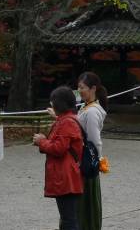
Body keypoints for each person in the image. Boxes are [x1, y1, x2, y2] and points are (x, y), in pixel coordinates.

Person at [33, 86, 84, 230]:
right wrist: (44, 140)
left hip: (66, 176)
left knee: (69, 219)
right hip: (66, 175)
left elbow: (58, 148)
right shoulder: (66, 119)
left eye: (53, 102)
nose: (51, 104)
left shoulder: (67, 122)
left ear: (59, 104)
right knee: (67, 217)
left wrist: (41, 142)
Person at [76, 72, 108, 230]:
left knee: (87, 203)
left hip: (88, 161)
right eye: (78, 88)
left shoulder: (93, 112)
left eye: (82, 88)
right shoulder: (84, 107)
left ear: (93, 88)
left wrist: (98, 161)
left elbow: (95, 141)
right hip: (81, 159)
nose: (80, 91)